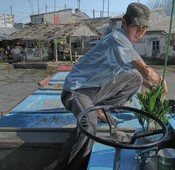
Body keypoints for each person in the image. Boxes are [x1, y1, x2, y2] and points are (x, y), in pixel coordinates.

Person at [55, 3, 168, 170]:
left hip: (98, 89)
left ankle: (101, 108)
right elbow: (144, 70)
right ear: (124, 23)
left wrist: (151, 86)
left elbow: (137, 74)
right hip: (77, 90)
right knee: (88, 124)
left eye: (144, 28)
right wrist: (159, 81)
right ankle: (68, 166)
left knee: (135, 78)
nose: (140, 33)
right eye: (136, 27)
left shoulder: (126, 44)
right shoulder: (117, 38)